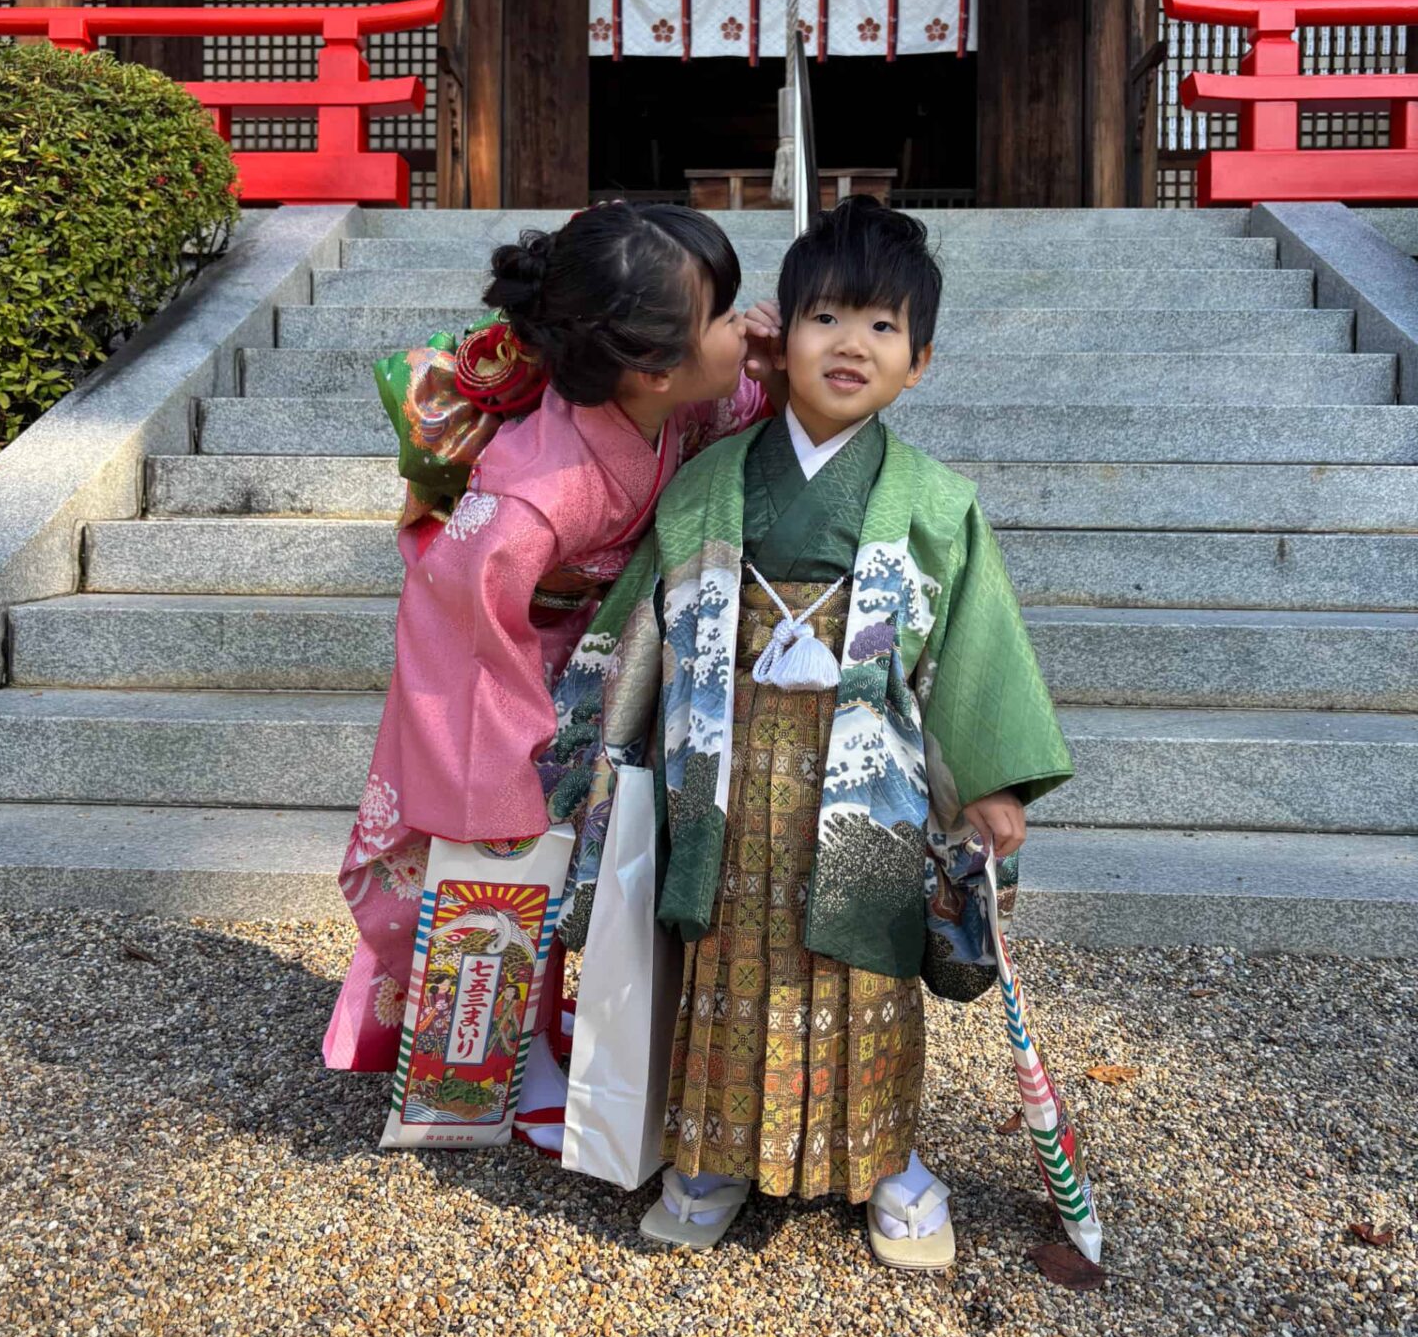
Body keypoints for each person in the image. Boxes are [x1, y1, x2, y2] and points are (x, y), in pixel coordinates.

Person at [545, 197, 1073, 1265]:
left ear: (919, 362)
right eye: (829, 317)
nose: (854, 344)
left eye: (884, 328)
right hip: (726, 766)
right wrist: (597, 753)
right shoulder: (711, 484)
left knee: (864, 968)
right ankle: (711, 1156)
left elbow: (973, 647)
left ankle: (883, 1159)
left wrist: (992, 780)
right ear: (779, 338)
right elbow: (641, 630)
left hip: (867, 780)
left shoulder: (931, 500)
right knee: (726, 965)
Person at [323, 202, 780, 1159]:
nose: (746, 323)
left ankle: (533, 1018)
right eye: (727, 314)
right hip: (496, 671)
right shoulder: (540, 485)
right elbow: (458, 612)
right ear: (652, 369)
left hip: (580, 652)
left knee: (572, 854)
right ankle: (514, 1049)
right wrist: (510, 761)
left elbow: (731, 413)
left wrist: (766, 374)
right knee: (508, 856)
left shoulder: (662, 397)